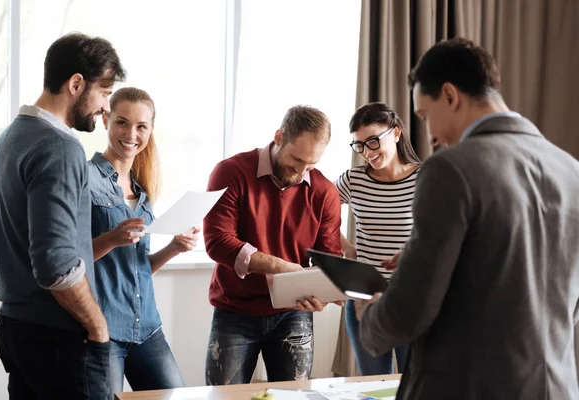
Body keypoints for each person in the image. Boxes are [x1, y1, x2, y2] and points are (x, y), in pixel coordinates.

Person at [357, 37, 579, 399]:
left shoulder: (450, 169)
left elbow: (408, 312)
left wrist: (368, 312)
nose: (429, 137)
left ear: (450, 95)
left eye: (425, 116)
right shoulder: (572, 171)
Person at [0, 33, 125, 399]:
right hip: (59, 339)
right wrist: (98, 326)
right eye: (104, 93)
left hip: (14, 330)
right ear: (76, 84)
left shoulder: (6, 141)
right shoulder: (60, 148)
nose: (105, 108)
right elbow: (56, 263)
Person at [203, 105, 342, 384]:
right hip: (235, 311)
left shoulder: (325, 192)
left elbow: (329, 258)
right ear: (279, 137)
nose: (302, 170)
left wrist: (324, 294)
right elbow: (218, 242)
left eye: (311, 163)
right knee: (223, 397)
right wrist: (280, 267)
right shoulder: (230, 172)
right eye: (296, 159)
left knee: (294, 397)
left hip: (294, 313)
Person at [88, 87, 198, 395]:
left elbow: (137, 269)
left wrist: (174, 249)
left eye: (141, 126)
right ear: (106, 120)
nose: (131, 134)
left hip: (146, 326)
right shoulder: (85, 178)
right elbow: (71, 260)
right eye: (122, 122)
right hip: (104, 330)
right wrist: (110, 239)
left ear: (150, 130)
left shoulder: (143, 192)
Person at [335, 102, 421, 375]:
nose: (367, 152)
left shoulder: (426, 177)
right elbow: (316, 213)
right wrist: (346, 247)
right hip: (364, 296)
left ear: (396, 133)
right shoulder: (354, 179)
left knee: (414, 387)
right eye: (359, 145)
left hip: (412, 298)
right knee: (372, 385)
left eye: (373, 141)